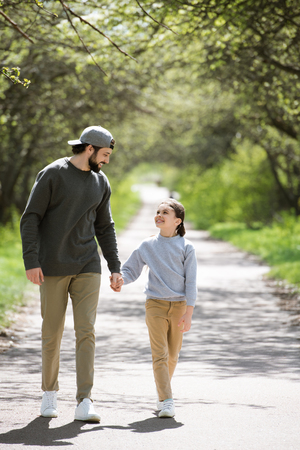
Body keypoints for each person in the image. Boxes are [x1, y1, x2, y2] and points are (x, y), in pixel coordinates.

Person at [20, 125, 122, 422]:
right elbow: (31, 219)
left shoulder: (101, 182)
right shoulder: (53, 174)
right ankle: (49, 393)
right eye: (103, 154)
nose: (105, 161)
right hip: (51, 265)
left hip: (87, 264)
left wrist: (114, 266)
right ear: (89, 148)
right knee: (52, 331)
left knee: (86, 331)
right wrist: (31, 260)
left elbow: (105, 227)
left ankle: (85, 400)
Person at [112, 199, 197, 418]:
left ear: (177, 221)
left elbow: (191, 283)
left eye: (165, 212)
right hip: (155, 305)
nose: (159, 215)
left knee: (173, 355)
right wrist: (122, 279)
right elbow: (131, 269)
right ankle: (167, 400)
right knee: (159, 354)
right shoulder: (147, 245)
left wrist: (189, 313)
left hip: (179, 306)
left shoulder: (186, 247)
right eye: (157, 212)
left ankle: (162, 394)